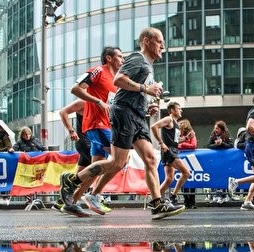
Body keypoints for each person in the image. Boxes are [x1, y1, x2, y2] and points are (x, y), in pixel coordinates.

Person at [59, 27, 185, 220]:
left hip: (137, 116)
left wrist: (146, 107)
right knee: (117, 162)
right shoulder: (137, 58)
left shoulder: (148, 67)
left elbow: (130, 91)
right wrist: (145, 88)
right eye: (159, 41)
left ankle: (157, 204)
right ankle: (73, 181)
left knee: (150, 159)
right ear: (146, 41)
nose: (163, 46)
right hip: (122, 115)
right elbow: (120, 80)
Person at [66, 46, 124, 216]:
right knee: (121, 160)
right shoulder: (98, 70)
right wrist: (98, 102)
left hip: (106, 125)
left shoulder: (116, 80)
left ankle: (71, 202)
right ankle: (91, 193)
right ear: (109, 58)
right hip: (97, 124)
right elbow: (75, 89)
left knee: (95, 169)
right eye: (120, 56)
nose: (123, 60)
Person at [227, 94, 254, 210]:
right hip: (253, 146)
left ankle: (247, 201)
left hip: (252, 146)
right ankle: (235, 182)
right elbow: (249, 127)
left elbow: (252, 130)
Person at [150, 101, 190, 205]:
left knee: (169, 179)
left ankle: (154, 200)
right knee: (186, 173)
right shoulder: (169, 119)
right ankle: (173, 196)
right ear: (172, 110)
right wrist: (161, 143)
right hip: (169, 151)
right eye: (179, 108)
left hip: (172, 150)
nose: (181, 110)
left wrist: (186, 138)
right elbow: (154, 126)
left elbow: (175, 141)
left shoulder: (176, 123)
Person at [207, 120, 233, 203]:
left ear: (222, 129)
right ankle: (215, 194)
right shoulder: (213, 135)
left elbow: (231, 145)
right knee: (215, 176)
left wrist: (222, 143)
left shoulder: (227, 135)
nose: (215, 130)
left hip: (225, 160)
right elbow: (208, 145)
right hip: (215, 161)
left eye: (217, 128)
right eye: (215, 128)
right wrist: (216, 145)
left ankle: (224, 195)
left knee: (224, 176)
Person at [177, 119, 198, 208]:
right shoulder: (177, 134)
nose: (179, 127)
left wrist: (182, 145)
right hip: (180, 159)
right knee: (183, 179)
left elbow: (193, 145)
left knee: (192, 180)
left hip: (191, 159)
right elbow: (174, 144)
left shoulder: (191, 134)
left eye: (180, 126)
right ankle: (186, 201)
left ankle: (192, 202)